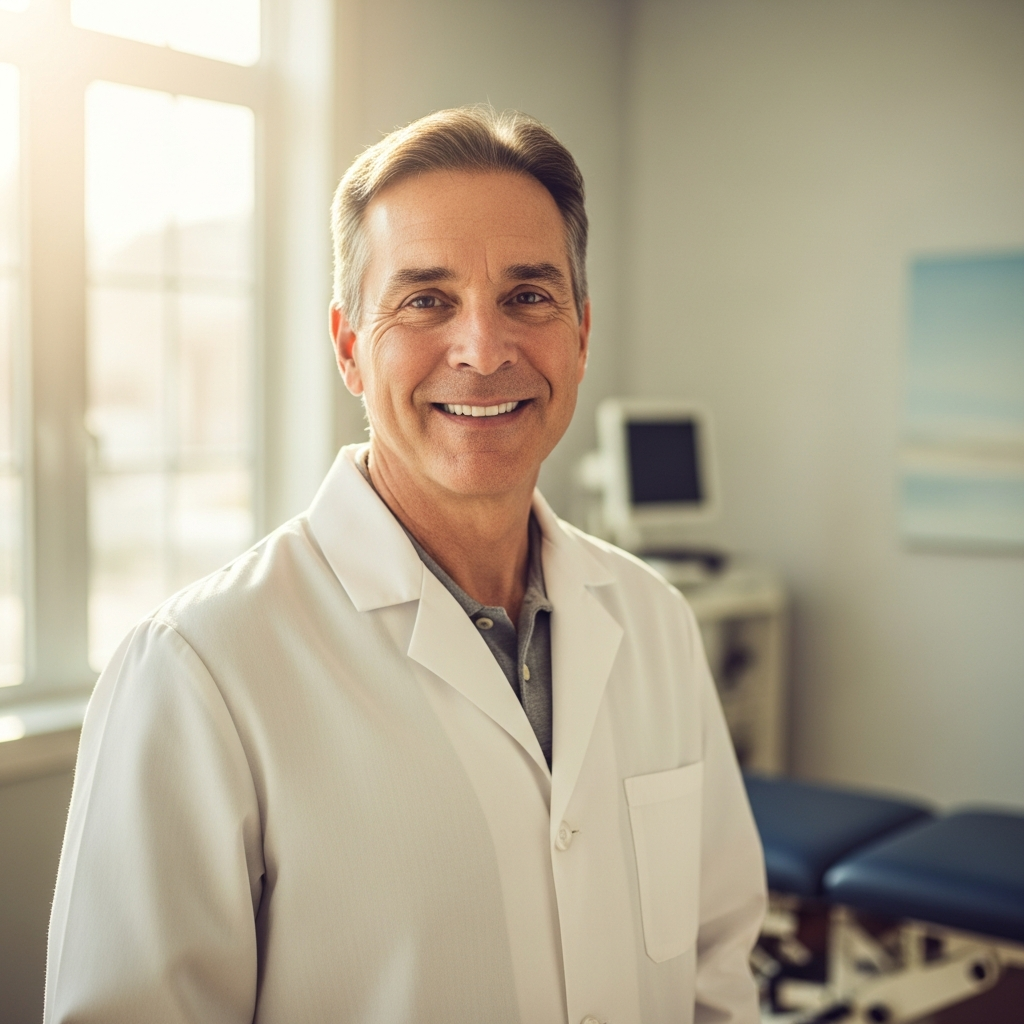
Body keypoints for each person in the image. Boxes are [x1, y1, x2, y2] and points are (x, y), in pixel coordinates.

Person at [45, 107, 766, 1024]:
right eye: (426, 299)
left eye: (528, 296)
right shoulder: (199, 668)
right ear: (350, 346)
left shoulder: (654, 620)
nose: (482, 348)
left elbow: (717, 966)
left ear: (581, 334)